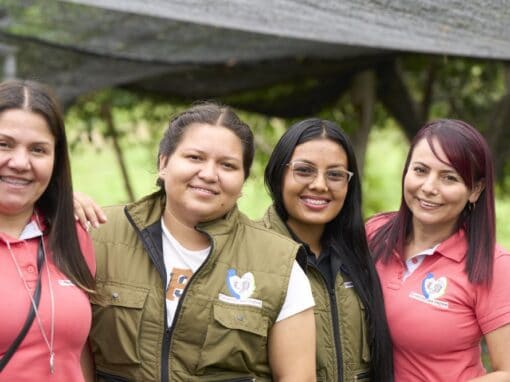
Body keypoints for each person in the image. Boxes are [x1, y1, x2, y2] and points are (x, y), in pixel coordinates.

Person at [85, 102, 316, 381]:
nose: (208, 174)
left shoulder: (278, 264)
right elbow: (67, 351)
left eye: (227, 165)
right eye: (195, 158)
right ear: (163, 163)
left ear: (243, 181)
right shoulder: (98, 236)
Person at [366, 119, 510, 381]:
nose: (429, 188)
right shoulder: (374, 233)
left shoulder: (492, 264)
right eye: (420, 170)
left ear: (475, 190)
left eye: (449, 177)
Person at [262, 118, 394, 382]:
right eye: (304, 170)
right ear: (279, 173)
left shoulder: (361, 257)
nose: (320, 185)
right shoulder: (251, 254)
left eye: (335, 174)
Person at [0, 79, 96, 382]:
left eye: (38, 150)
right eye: (3, 144)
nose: (19, 162)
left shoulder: (74, 234)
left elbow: (79, 353)